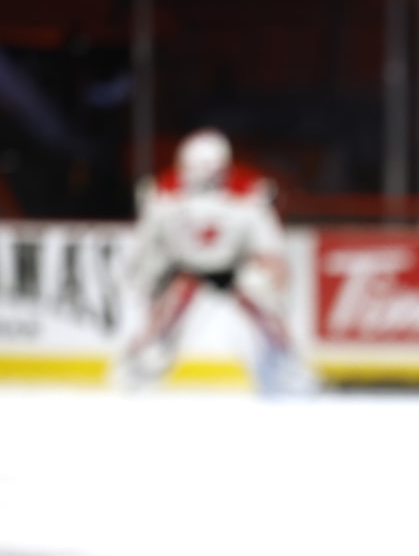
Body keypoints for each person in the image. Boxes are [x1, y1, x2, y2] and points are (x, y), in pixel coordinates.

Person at [119, 129, 297, 390]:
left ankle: (282, 364)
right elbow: (148, 245)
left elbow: (268, 246)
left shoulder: (248, 195)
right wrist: (145, 279)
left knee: (261, 298)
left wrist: (274, 278)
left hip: (236, 269)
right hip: (184, 270)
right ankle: (139, 365)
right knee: (162, 319)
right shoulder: (162, 194)